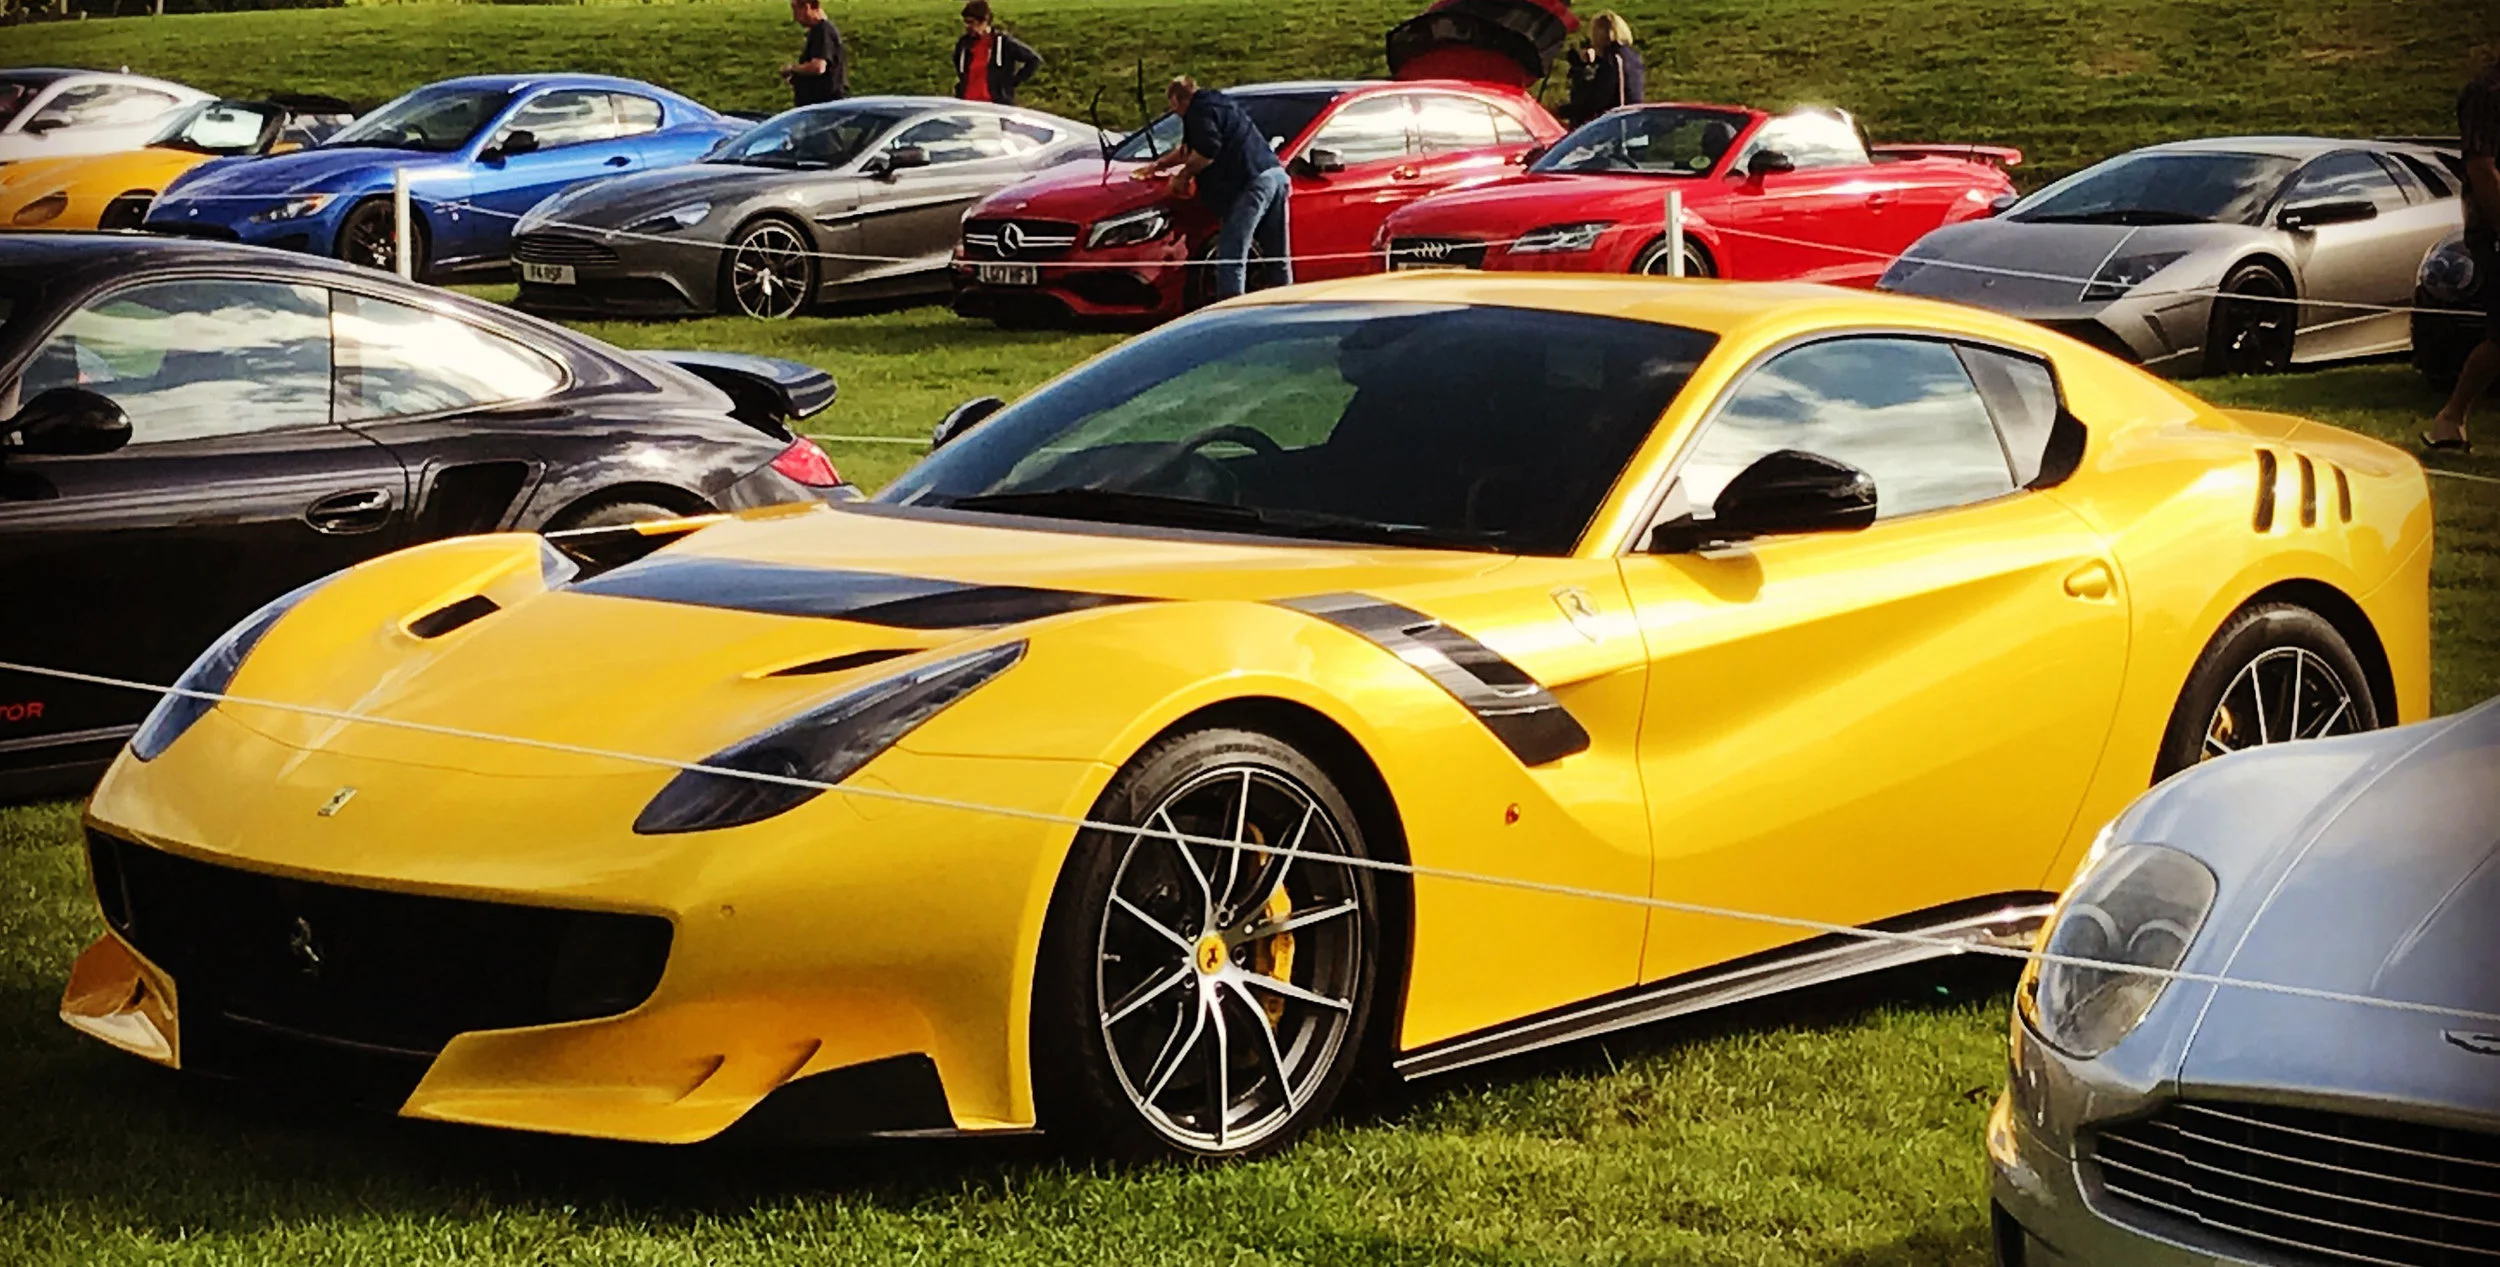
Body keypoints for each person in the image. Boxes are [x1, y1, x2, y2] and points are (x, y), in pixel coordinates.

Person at [1133, 76, 1290, 301]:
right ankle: (1285, 302)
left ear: (1177, 100)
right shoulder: (1219, 102)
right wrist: (1158, 165)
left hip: (1249, 181)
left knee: (1232, 253)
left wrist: (1183, 175)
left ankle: (1231, 307)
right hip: (1275, 173)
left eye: (1173, 106)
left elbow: (1207, 151)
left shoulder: (1198, 112)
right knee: (1277, 254)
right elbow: (1188, 150)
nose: (1174, 112)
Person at [2429, 55, 2500, 453]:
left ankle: (2451, 419)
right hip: (2493, 232)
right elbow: (2482, 169)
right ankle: (2451, 417)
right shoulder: (2486, 93)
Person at [1562, 11, 1645, 128]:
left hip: (1616, 127)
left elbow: (1597, 101)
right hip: (1633, 122)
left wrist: (1564, 111)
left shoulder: (1612, 60)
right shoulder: (1633, 57)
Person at [954, 1, 1043, 106]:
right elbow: (958, 64)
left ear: (984, 21)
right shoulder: (964, 44)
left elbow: (1033, 59)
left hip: (995, 105)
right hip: (968, 103)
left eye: (971, 22)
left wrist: (1012, 82)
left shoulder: (1003, 42)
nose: (967, 26)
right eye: (965, 22)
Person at [780, 0, 848, 109]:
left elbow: (818, 67)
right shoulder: (821, 31)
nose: (795, 18)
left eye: (796, 11)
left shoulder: (822, 30)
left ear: (807, 7)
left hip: (821, 106)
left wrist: (792, 69)